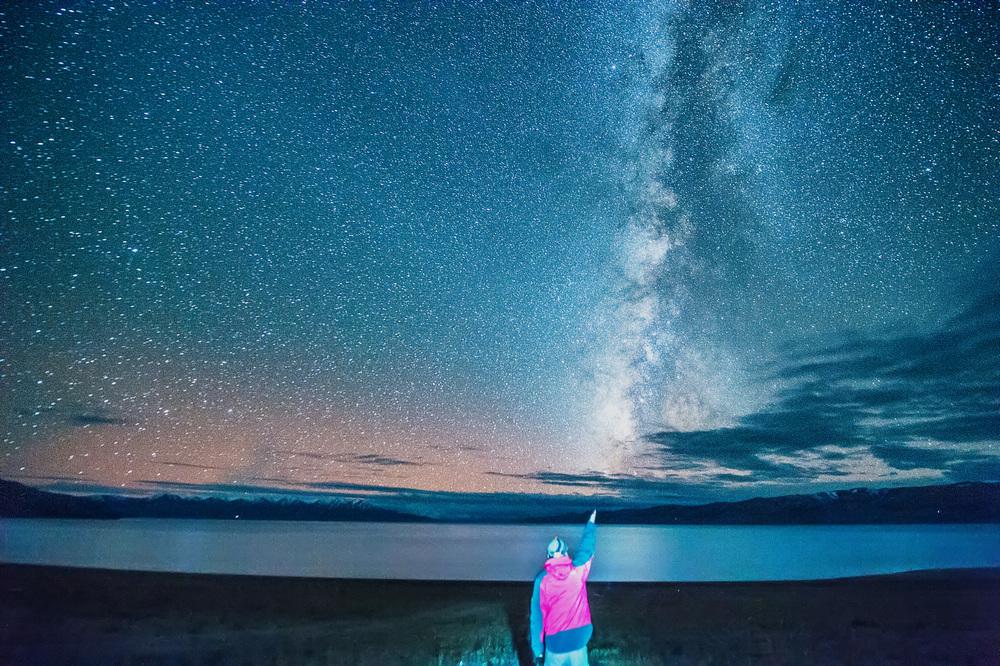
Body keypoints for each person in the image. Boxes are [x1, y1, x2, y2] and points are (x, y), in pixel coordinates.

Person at [529, 510, 597, 665]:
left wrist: (538, 650)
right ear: (565, 552)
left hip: (556, 642)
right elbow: (587, 549)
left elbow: (537, 617)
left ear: (549, 556)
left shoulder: (542, 580)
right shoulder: (577, 571)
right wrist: (591, 523)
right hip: (579, 638)